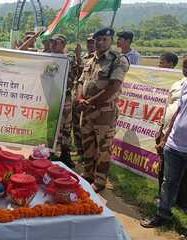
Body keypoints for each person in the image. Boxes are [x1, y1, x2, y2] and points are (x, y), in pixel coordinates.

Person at [77, 27, 130, 193]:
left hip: (104, 113)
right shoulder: (91, 59)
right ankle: (88, 174)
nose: (100, 43)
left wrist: (90, 102)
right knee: (88, 144)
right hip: (86, 111)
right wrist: (80, 99)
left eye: (104, 40)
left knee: (103, 149)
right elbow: (80, 81)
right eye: (97, 40)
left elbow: (113, 87)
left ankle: (100, 181)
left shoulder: (118, 60)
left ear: (110, 41)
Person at [140, 77, 187, 228]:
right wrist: (165, 138)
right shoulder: (185, 84)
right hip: (174, 145)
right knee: (168, 182)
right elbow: (178, 111)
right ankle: (163, 215)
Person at [156, 56, 187, 211]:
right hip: (173, 141)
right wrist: (164, 133)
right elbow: (174, 111)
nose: (185, 69)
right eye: (184, 65)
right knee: (167, 179)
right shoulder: (182, 85)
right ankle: (163, 212)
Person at [50, 34, 78, 168]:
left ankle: (65, 154)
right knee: (51, 125)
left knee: (66, 127)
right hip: (51, 96)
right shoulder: (46, 57)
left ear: (63, 44)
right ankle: (50, 152)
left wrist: (77, 55)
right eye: (51, 42)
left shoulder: (69, 59)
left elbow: (78, 71)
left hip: (65, 97)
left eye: (56, 42)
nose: (53, 44)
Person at [72, 34, 96, 157]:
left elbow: (85, 72)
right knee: (76, 124)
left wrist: (78, 57)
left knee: (84, 126)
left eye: (92, 42)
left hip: (88, 98)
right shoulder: (84, 57)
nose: (90, 44)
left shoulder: (96, 59)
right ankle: (79, 149)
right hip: (77, 94)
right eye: (88, 42)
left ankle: (87, 153)